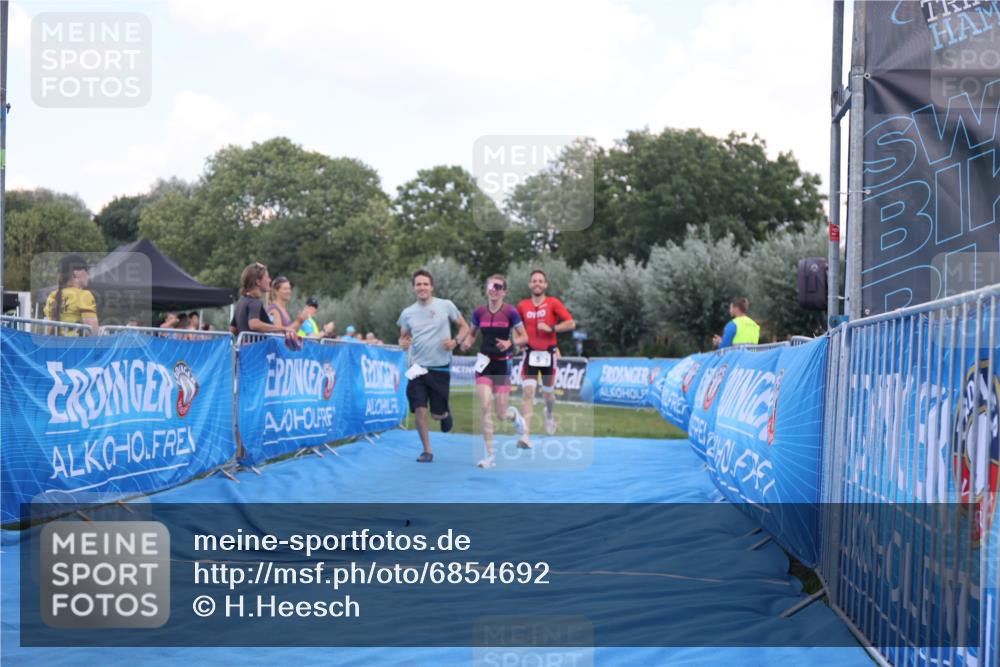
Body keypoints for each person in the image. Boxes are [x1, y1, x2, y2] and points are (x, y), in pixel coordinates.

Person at [398, 268, 470, 463]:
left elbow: (465, 327)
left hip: (440, 367)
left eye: (425, 284)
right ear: (414, 288)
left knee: (437, 415)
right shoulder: (407, 313)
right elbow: (403, 337)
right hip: (417, 368)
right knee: (419, 409)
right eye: (418, 284)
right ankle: (427, 451)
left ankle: (444, 412)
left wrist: (455, 341)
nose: (422, 287)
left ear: (431, 287)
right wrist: (402, 343)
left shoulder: (445, 306)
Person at [460, 274, 528, 468]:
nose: (493, 289)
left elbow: (525, 337)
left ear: (504, 292)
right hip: (484, 364)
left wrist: (510, 342)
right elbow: (472, 335)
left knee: (500, 413)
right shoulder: (479, 312)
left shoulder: (510, 312)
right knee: (484, 406)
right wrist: (466, 343)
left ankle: (514, 415)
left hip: (503, 364)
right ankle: (490, 456)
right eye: (490, 285)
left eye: (498, 286)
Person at [516, 269, 575, 447]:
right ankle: (526, 435)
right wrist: (518, 341)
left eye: (541, 281)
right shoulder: (522, 305)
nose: (537, 284)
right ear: (529, 284)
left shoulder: (553, 303)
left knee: (548, 394)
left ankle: (549, 415)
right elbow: (515, 326)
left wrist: (552, 328)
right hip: (529, 354)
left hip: (549, 354)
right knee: (528, 393)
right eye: (534, 281)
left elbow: (571, 323)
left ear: (546, 285)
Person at [231, 262, 301, 343]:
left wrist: (244, 340)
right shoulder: (255, 302)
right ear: (258, 282)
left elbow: (233, 329)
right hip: (256, 351)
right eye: (267, 277)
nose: (270, 280)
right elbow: (254, 324)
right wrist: (283, 328)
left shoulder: (241, 301)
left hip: (244, 352)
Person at [44, 254, 98, 336]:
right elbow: (92, 332)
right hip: (76, 347)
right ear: (76, 273)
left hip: (53, 345)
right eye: (87, 270)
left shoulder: (52, 296)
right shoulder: (84, 295)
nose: (88, 275)